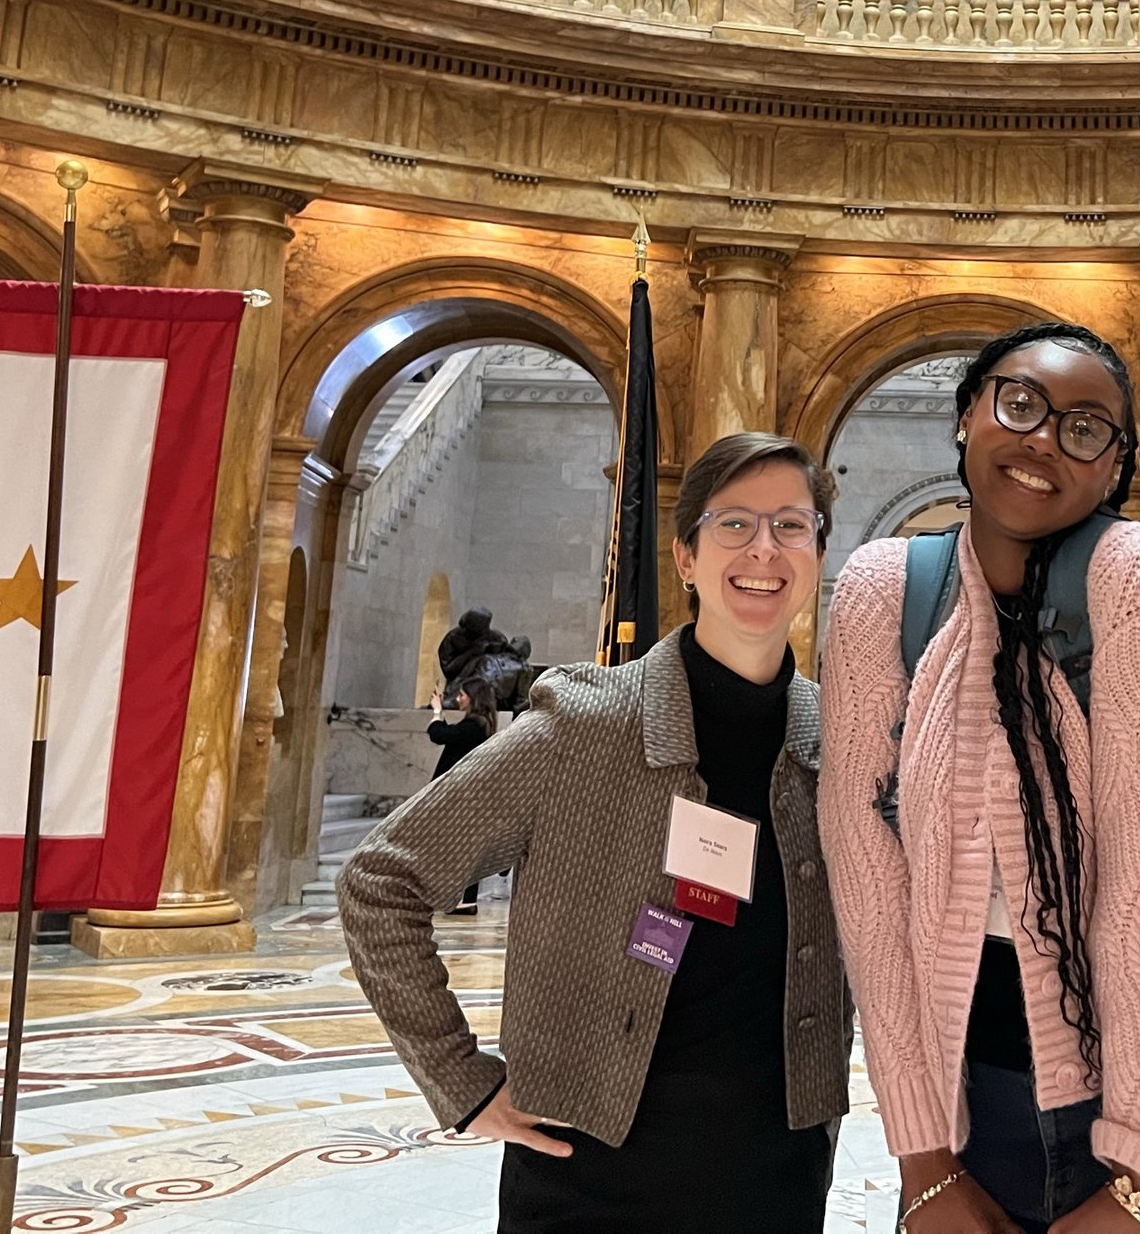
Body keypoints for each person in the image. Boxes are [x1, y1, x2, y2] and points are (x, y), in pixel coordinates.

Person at [340, 433, 850, 1234]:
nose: (765, 549)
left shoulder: (837, 738)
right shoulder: (583, 724)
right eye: (734, 524)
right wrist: (460, 1078)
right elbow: (380, 880)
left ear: (819, 551)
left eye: (792, 524)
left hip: (775, 1170)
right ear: (685, 556)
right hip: (590, 1174)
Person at [820, 323, 1140, 1234]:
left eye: (1085, 428)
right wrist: (925, 1161)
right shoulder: (878, 590)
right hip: (968, 1106)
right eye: (1019, 403)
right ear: (966, 416)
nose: (1042, 439)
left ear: (1115, 470)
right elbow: (868, 882)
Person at [426, 676, 500, 915]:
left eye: (462, 695)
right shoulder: (479, 724)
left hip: (462, 796)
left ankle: (463, 899)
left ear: (473, 698)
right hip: (466, 795)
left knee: (458, 848)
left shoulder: (475, 726)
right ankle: (460, 898)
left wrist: (437, 712)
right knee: (461, 847)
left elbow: (440, 734)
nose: (458, 699)